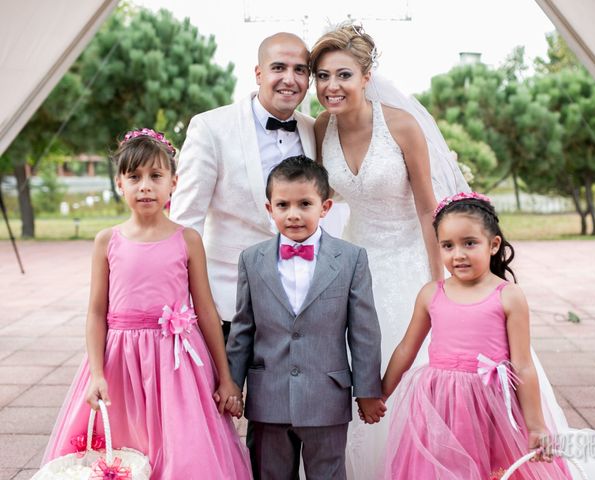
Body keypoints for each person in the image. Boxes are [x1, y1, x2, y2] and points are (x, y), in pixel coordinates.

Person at [41, 129, 252, 479]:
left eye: (156, 176)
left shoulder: (187, 240)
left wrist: (225, 377)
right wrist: (96, 374)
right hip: (118, 362)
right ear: (119, 183)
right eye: (134, 177)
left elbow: (206, 313)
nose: (145, 186)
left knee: (180, 445)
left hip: (176, 364)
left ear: (173, 183)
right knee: (124, 443)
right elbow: (96, 313)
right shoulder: (107, 242)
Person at [310, 23, 470, 479]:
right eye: (322, 76)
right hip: (354, 261)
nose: (331, 87)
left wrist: (440, 282)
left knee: (408, 363)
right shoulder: (322, 127)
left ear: (365, 76)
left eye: (343, 75)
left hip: (407, 258)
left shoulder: (401, 125)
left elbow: (427, 209)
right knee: (354, 360)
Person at [381, 192, 571, 479]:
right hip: (440, 404)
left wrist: (535, 425)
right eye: (448, 245)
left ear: (493, 245)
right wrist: (380, 393)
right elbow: (407, 349)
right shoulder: (431, 294)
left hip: (490, 404)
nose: (458, 254)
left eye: (469, 243)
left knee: (492, 468)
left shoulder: (508, 296)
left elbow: (522, 365)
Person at [226, 156, 384, 480]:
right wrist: (232, 384)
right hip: (268, 397)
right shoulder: (251, 259)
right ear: (270, 208)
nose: (293, 214)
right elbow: (243, 328)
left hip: (327, 396)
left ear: (324, 207)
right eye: (283, 204)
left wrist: (367, 390)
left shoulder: (351, 259)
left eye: (304, 204)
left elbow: (364, 330)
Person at [169, 32, 316, 341]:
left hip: (300, 304)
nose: (290, 78)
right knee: (222, 390)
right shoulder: (211, 128)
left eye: (300, 70)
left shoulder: (314, 129)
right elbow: (185, 220)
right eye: (279, 67)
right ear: (259, 73)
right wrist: (184, 300)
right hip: (226, 301)